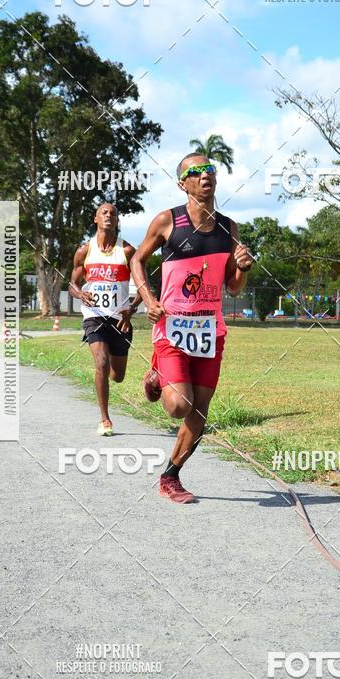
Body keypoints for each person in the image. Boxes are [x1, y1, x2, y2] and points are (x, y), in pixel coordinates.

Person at [130, 152, 254, 504]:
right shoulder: (167, 221)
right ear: (182, 183)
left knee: (199, 410)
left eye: (210, 170)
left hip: (209, 332)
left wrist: (242, 267)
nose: (205, 176)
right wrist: (149, 299)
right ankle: (157, 369)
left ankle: (171, 476)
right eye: (195, 172)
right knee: (179, 407)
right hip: (171, 329)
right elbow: (137, 259)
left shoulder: (228, 228)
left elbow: (232, 287)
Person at [69, 202, 141, 436]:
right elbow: (72, 284)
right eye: (104, 213)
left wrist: (132, 308)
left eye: (113, 214)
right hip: (94, 315)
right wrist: (80, 293)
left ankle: (109, 368)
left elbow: (143, 285)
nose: (109, 216)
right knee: (100, 363)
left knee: (117, 376)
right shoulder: (84, 251)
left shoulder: (128, 251)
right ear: (95, 219)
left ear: (118, 221)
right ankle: (105, 419)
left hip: (120, 318)